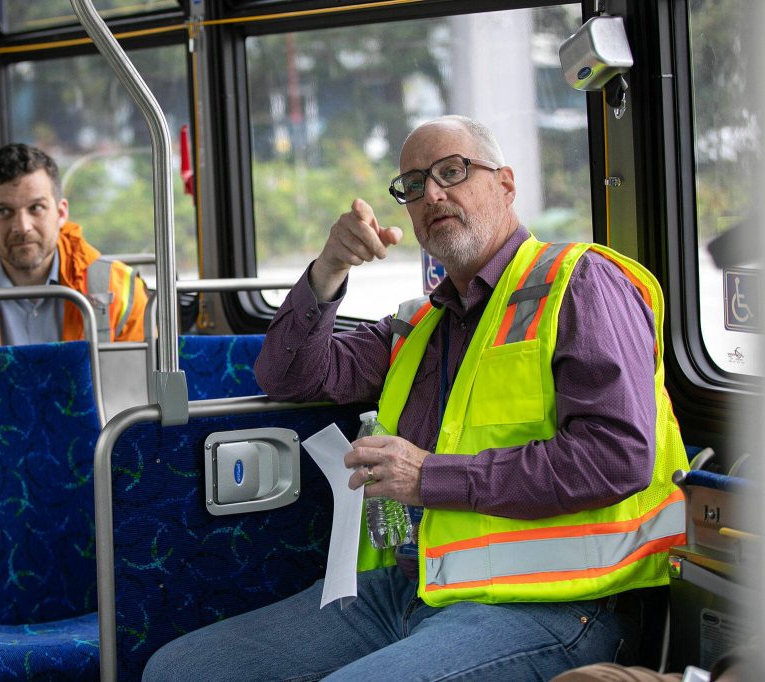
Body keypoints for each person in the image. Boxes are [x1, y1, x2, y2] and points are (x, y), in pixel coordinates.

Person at [142, 115, 689, 681]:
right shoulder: (419, 325)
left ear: (505, 184)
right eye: (413, 184)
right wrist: (329, 269)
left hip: (557, 602)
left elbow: (616, 457)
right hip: (413, 586)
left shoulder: (580, 284)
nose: (432, 193)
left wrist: (429, 477)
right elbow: (288, 378)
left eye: (453, 171)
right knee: (180, 669)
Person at [0, 143, 147, 349]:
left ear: (61, 213)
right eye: (4, 212)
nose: (22, 227)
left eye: (36, 208)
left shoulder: (120, 292)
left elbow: (138, 389)